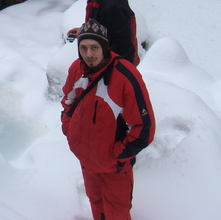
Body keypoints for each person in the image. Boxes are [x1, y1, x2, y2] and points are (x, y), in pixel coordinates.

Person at [61, 20, 155, 220]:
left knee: (116, 213)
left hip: (114, 168)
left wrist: (115, 156)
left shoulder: (125, 77)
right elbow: (68, 103)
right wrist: (70, 132)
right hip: (87, 162)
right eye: (84, 48)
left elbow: (144, 128)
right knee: (96, 204)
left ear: (104, 48)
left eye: (94, 48)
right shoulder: (77, 70)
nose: (89, 55)